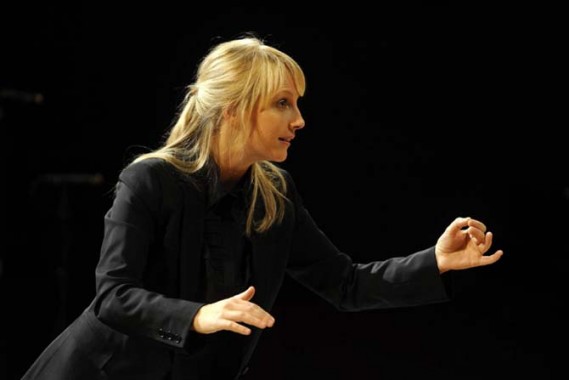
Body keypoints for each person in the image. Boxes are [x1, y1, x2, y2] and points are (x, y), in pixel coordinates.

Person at [21, 35, 503, 380]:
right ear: (233, 107)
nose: (299, 119)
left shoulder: (274, 192)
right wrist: (197, 316)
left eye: (296, 103)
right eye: (282, 103)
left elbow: (345, 283)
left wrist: (434, 262)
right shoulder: (151, 179)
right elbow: (112, 297)